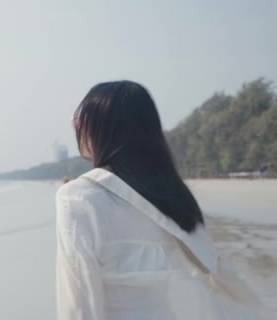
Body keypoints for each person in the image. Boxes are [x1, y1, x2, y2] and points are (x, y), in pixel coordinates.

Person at [55, 81, 267, 320]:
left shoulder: (77, 198)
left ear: (101, 128)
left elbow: (79, 306)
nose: (77, 128)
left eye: (80, 120)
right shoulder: (178, 198)